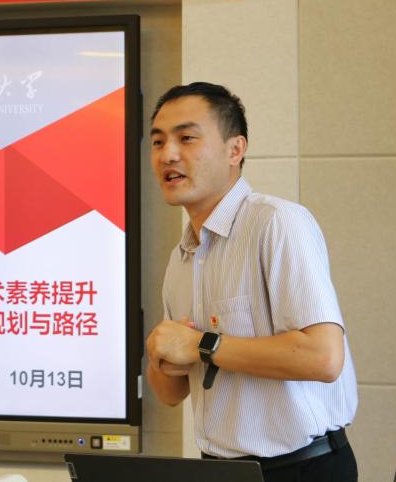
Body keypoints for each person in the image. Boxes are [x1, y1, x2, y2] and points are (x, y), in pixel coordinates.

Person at [145, 82, 358, 482]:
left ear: (235, 150)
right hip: (220, 469)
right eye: (157, 142)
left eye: (186, 138)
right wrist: (160, 357)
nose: (167, 155)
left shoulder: (277, 223)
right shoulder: (181, 257)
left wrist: (202, 344)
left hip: (301, 468)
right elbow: (171, 393)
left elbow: (324, 357)